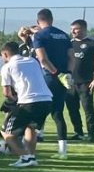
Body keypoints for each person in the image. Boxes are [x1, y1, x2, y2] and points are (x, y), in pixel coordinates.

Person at [0, 40, 55, 168]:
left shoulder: (7, 67)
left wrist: (12, 102)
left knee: (6, 132)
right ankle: (31, 156)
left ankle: (25, 157)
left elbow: (7, 93)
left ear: (5, 54)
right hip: (46, 100)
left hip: (28, 102)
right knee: (31, 127)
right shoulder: (33, 61)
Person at [30, 8, 74, 157]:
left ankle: (28, 150)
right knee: (57, 113)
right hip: (63, 79)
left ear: (38, 21)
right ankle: (63, 152)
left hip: (48, 77)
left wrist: (56, 73)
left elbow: (42, 59)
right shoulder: (63, 35)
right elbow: (71, 58)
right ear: (52, 19)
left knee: (38, 113)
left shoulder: (39, 35)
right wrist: (67, 74)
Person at [66, 19, 94, 141]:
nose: (72, 31)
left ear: (83, 29)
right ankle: (78, 132)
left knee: (88, 108)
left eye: (75, 29)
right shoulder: (68, 43)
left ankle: (91, 134)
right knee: (72, 109)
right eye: (71, 29)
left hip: (86, 82)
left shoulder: (93, 43)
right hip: (71, 82)